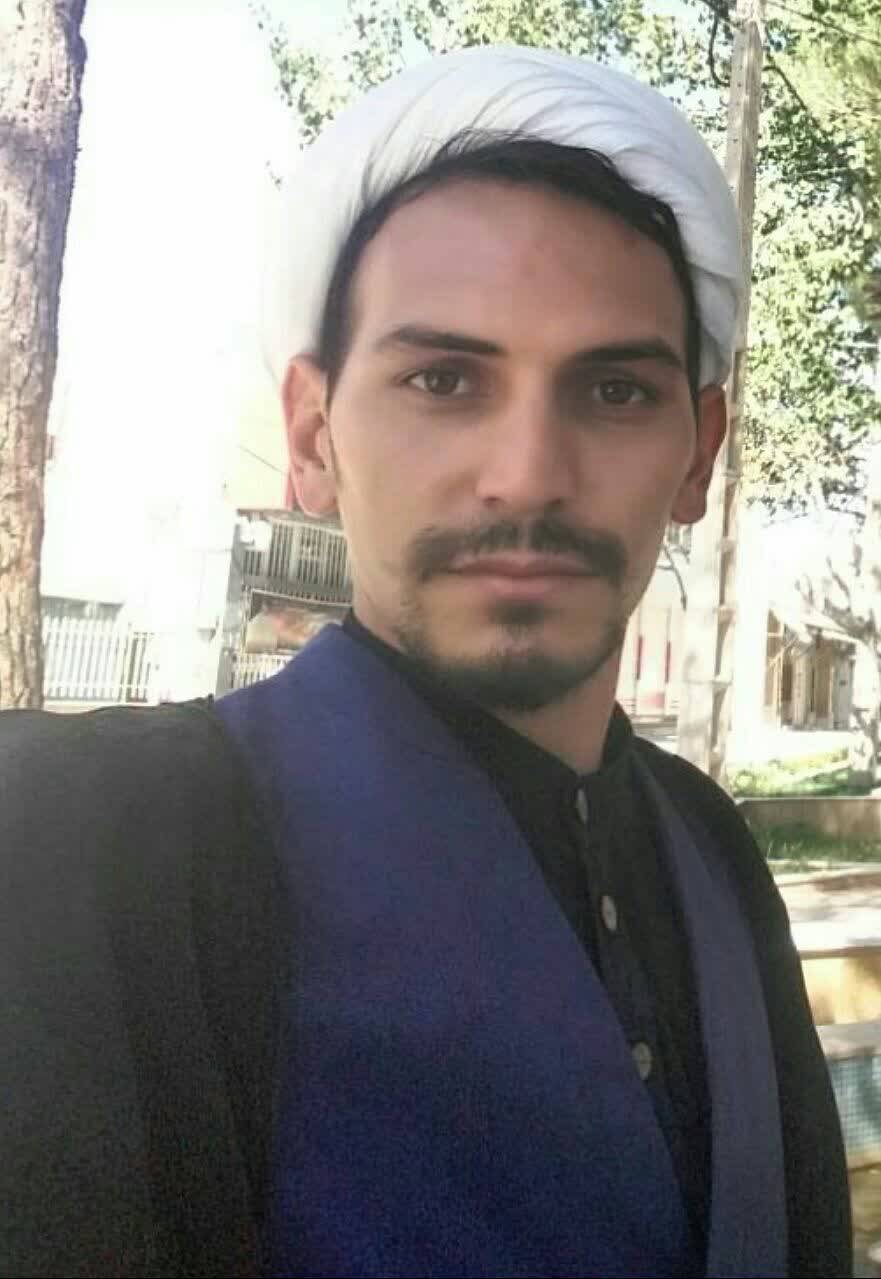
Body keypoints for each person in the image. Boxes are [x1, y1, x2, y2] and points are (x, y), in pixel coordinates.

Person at [0, 45, 850, 1279]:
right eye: (443, 379)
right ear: (312, 437)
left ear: (696, 456)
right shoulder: (94, 841)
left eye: (614, 391)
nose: (526, 474)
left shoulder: (712, 851)